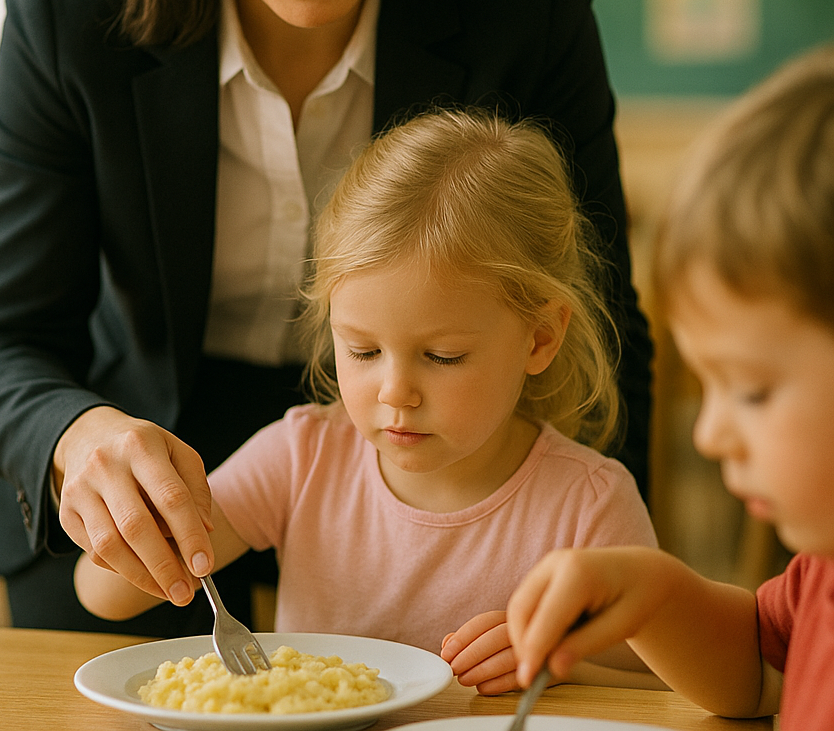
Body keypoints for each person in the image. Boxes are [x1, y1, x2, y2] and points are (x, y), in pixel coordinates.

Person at [0, 0, 654, 636]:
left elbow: (599, 311)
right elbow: (2, 342)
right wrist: (79, 439)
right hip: (143, 461)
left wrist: (616, 587)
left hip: (443, 456)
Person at [75, 110, 659, 691]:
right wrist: (143, 506)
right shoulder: (302, 457)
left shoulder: (589, 503)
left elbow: (669, 684)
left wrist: (561, 665)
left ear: (540, 338)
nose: (394, 392)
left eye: (443, 356)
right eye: (363, 351)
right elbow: (103, 595)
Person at [503, 46, 834, 728]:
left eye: (752, 390)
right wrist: (653, 594)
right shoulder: (821, 574)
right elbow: (760, 668)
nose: (708, 433)